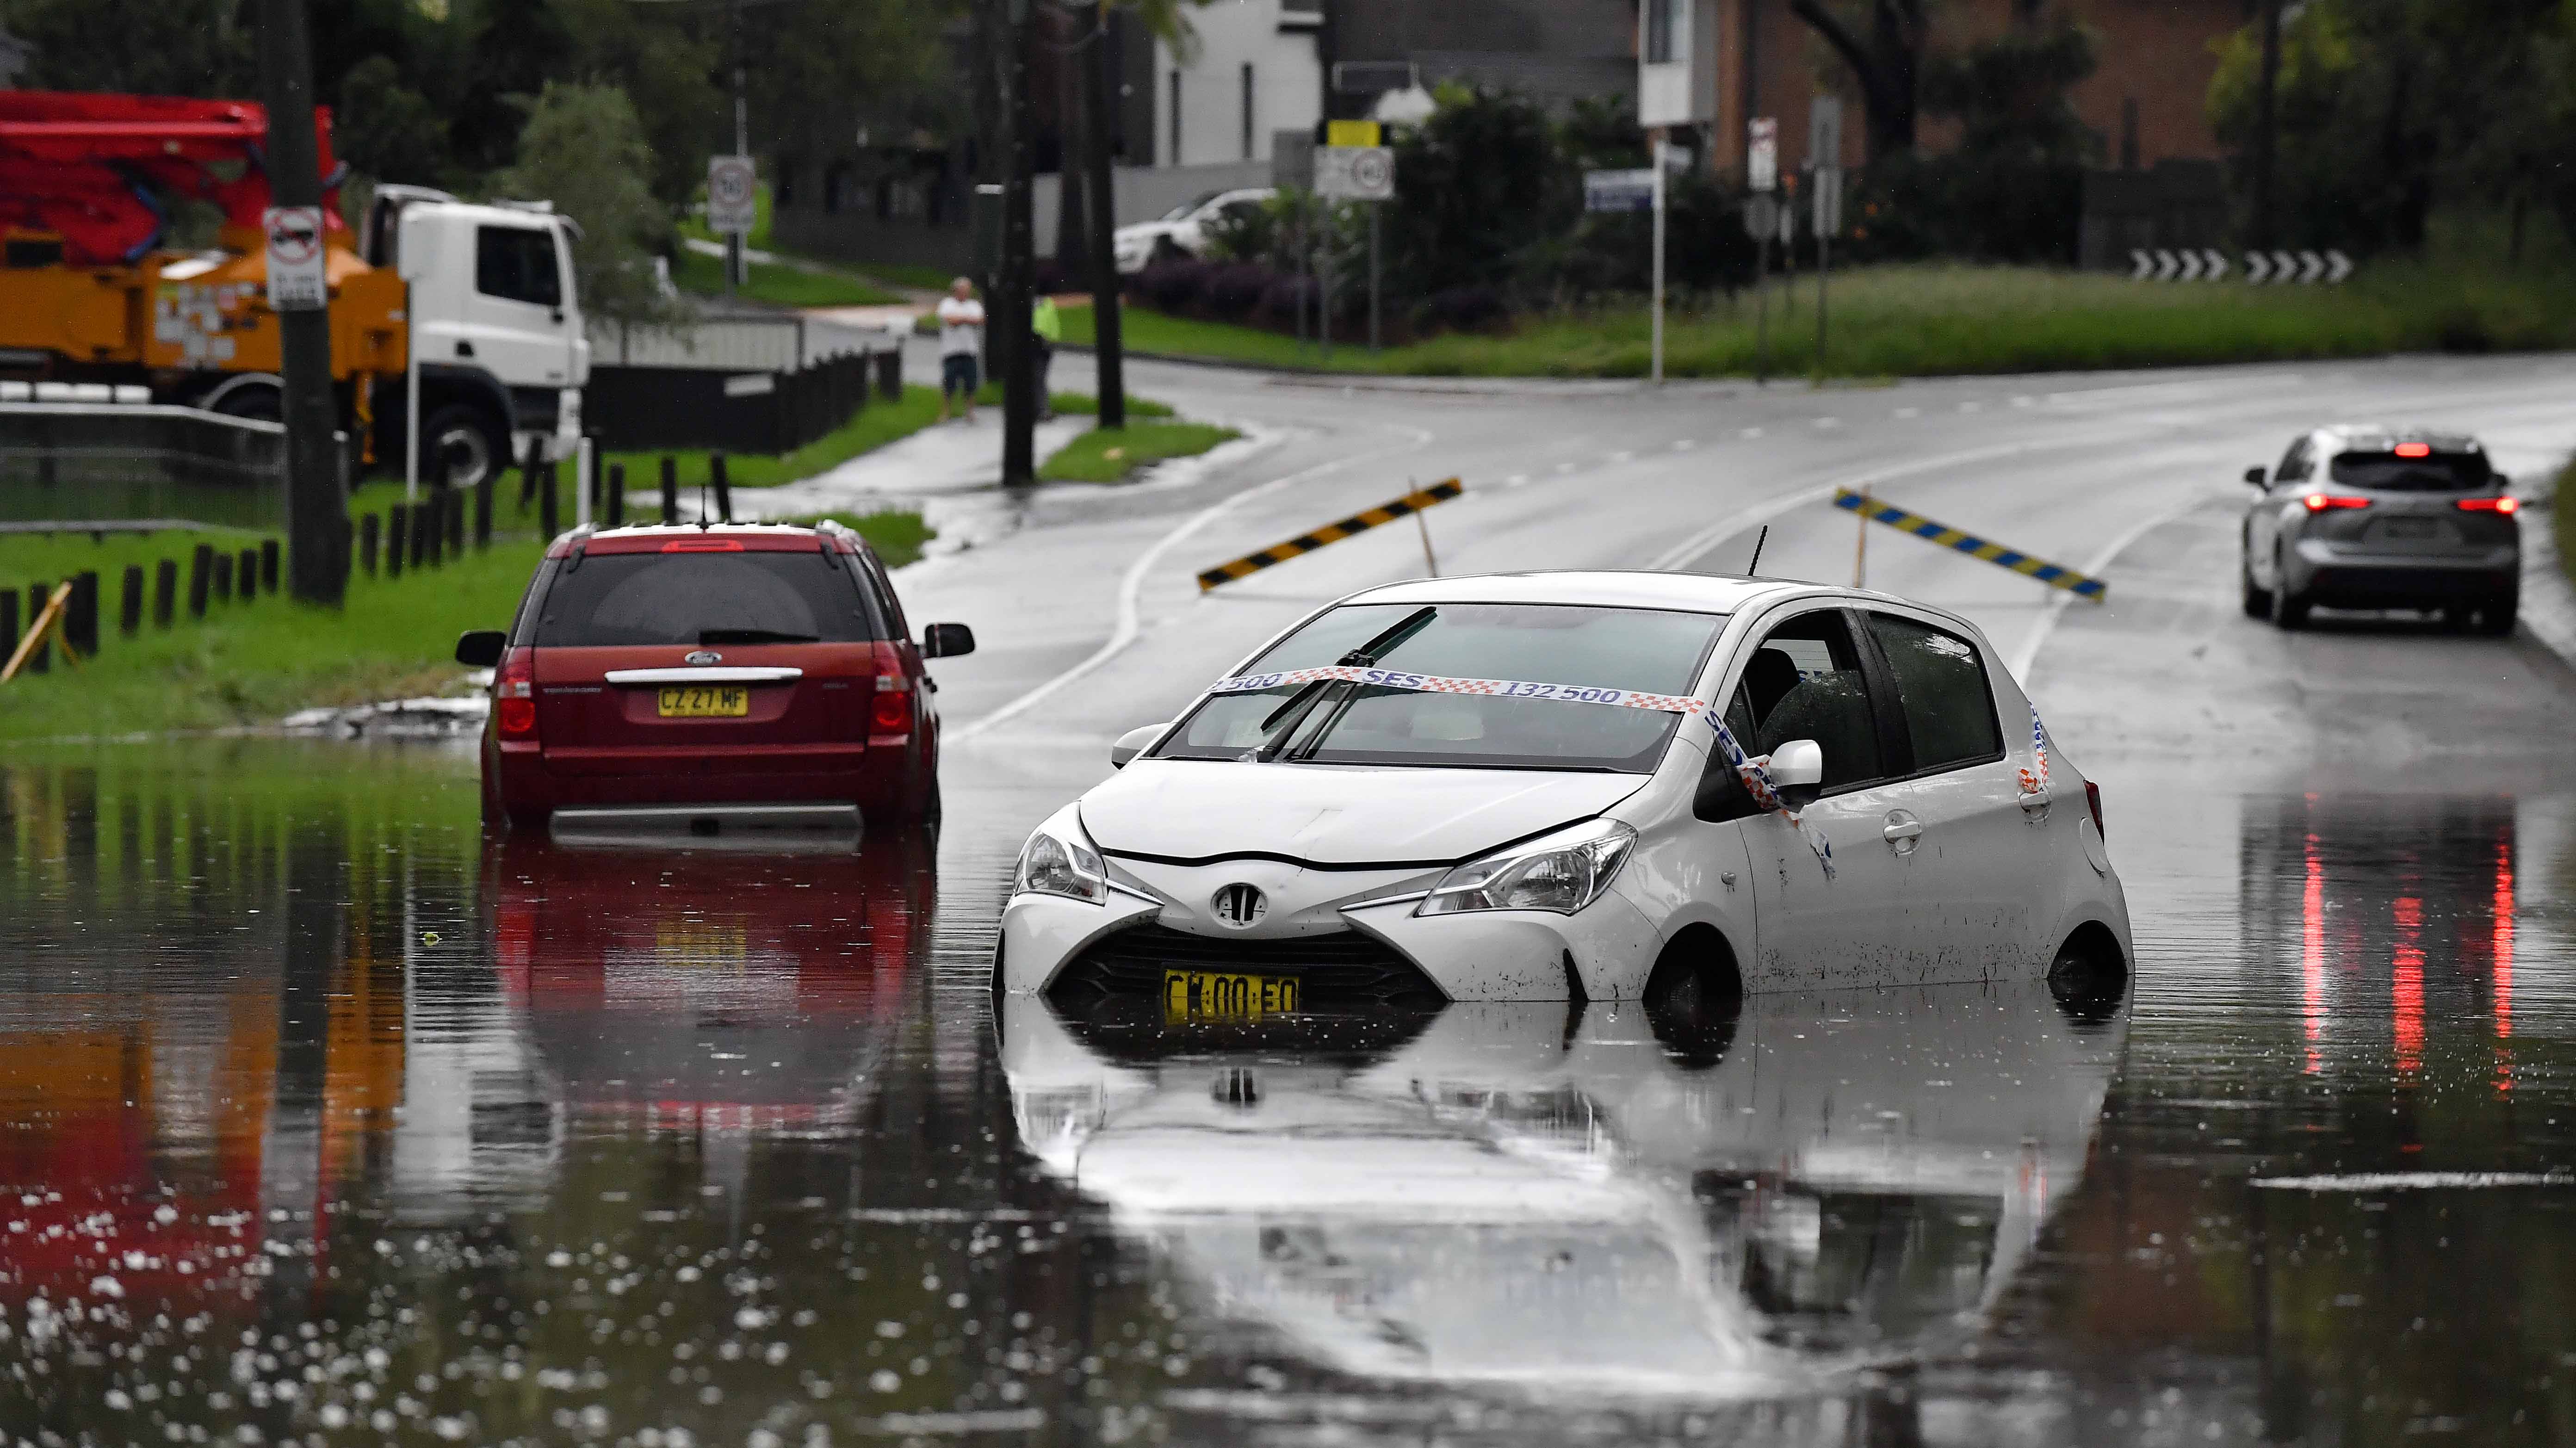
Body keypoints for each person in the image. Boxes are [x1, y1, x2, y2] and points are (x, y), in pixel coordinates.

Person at [935, 278, 985, 423]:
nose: (966, 293)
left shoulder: (974, 305)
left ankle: (970, 412)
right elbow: (950, 321)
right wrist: (968, 319)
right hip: (951, 351)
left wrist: (960, 319)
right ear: (956, 291)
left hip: (970, 351)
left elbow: (980, 320)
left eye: (968, 290)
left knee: (971, 384)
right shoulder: (947, 304)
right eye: (963, 290)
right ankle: (946, 412)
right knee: (949, 383)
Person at [1031, 293, 1061, 421]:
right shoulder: (1047, 303)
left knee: (1038, 378)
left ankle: (1042, 410)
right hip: (1041, 344)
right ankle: (1041, 409)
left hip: (1041, 344)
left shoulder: (1046, 304)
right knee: (1038, 378)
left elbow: (1051, 325)